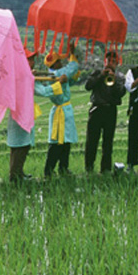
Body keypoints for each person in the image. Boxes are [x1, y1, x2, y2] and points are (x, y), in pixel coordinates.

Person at [7, 49, 67, 182]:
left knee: (19, 145)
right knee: (21, 145)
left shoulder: (19, 73)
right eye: (30, 59)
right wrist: (59, 83)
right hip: (22, 114)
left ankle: (18, 172)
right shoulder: (24, 76)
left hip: (18, 112)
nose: (33, 62)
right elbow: (44, 91)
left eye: (33, 59)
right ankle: (15, 176)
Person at [84, 50, 126, 173]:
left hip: (110, 110)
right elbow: (88, 86)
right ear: (105, 61)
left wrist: (113, 80)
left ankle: (105, 169)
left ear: (117, 63)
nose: (110, 63)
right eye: (109, 61)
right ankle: (89, 167)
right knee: (92, 141)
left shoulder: (119, 77)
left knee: (108, 142)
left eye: (113, 61)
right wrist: (101, 76)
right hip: (97, 108)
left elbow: (120, 93)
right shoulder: (97, 73)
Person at [42, 41, 80, 177]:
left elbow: (70, 80)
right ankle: (50, 170)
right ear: (55, 64)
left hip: (65, 111)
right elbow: (73, 67)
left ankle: (62, 168)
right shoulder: (57, 73)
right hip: (61, 112)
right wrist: (72, 53)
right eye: (59, 61)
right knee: (57, 143)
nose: (62, 63)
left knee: (66, 141)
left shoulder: (54, 74)